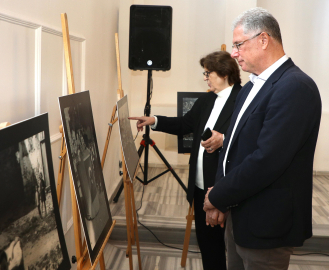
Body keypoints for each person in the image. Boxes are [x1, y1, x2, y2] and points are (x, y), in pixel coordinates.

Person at [203, 7, 321, 270]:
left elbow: (266, 160)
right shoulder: (252, 86)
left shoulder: (295, 87)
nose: (233, 53)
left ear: (264, 40)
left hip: (267, 224)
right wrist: (222, 199)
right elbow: (232, 148)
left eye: (238, 45)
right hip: (239, 213)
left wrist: (218, 195)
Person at [129, 50, 241, 270]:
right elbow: (184, 125)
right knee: (208, 245)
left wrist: (225, 139)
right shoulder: (207, 99)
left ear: (225, 73)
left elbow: (249, 139)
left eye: (208, 73)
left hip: (225, 188)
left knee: (231, 246)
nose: (205, 77)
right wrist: (154, 120)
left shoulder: (243, 99)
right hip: (200, 186)